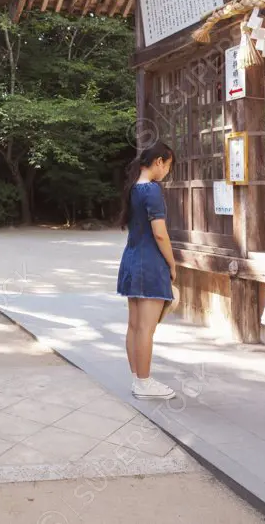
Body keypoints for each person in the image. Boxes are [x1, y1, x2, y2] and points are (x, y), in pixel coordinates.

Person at [117, 142, 178, 400]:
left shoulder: (133, 188)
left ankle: (137, 379)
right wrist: (173, 264)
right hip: (149, 264)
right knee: (146, 329)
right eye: (168, 166)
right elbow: (160, 234)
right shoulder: (152, 191)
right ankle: (144, 382)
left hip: (131, 260)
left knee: (134, 326)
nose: (167, 172)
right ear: (158, 162)